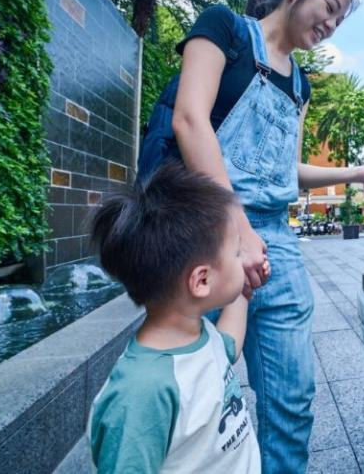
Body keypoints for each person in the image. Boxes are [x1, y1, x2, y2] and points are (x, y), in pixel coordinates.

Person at [136, 0, 364, 472]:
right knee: (192, 391)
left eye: (339, 20)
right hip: (200, 234)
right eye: (329, 8)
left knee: (291, 399)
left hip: (274, 244)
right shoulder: (224, 29)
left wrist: (356, 174)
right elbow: (190, 120)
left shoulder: (300, 85)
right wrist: (237, 228)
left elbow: (285, 171)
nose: (330, 25)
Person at [88, 162, 262, 474]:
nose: (243, 259)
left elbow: (229, 347)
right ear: (201, 281)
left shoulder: (197, 334)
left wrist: (244, 292)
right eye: (237, 254)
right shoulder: (142, 393)